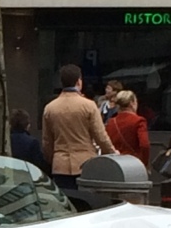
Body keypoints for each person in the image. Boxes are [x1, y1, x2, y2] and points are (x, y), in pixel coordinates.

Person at [41, 63, 116, 191]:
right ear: (79, 81)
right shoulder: (89, 106)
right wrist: (112, 153)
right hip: (85, 163)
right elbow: (100, 136)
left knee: (66, 204)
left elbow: (47, 141)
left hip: (60, 165)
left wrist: (53, 159)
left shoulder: (50, 108)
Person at [104, 90, 149, 167]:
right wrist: (144, 163)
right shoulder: (139, 121)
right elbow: (145, 145)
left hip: (115, 163)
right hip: (134, 164)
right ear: (132, 103)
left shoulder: (111, 122)